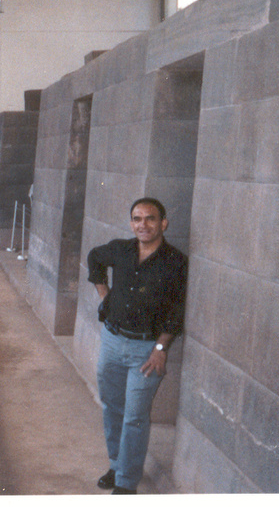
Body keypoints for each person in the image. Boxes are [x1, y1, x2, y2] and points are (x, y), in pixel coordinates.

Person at [86, 197, 188, 494]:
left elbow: (177, 309)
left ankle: (127, 482)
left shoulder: (176, 262)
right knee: (112, 407)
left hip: (146, 351)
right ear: (131, 223)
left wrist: (161, 349)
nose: (143, 224)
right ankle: (116, 465)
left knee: (135, 415)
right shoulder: (120, 249)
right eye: (137, 218)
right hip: (112, 341)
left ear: (163, 223)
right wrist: (105, 294)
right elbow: (94, 257)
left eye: (150, 218)